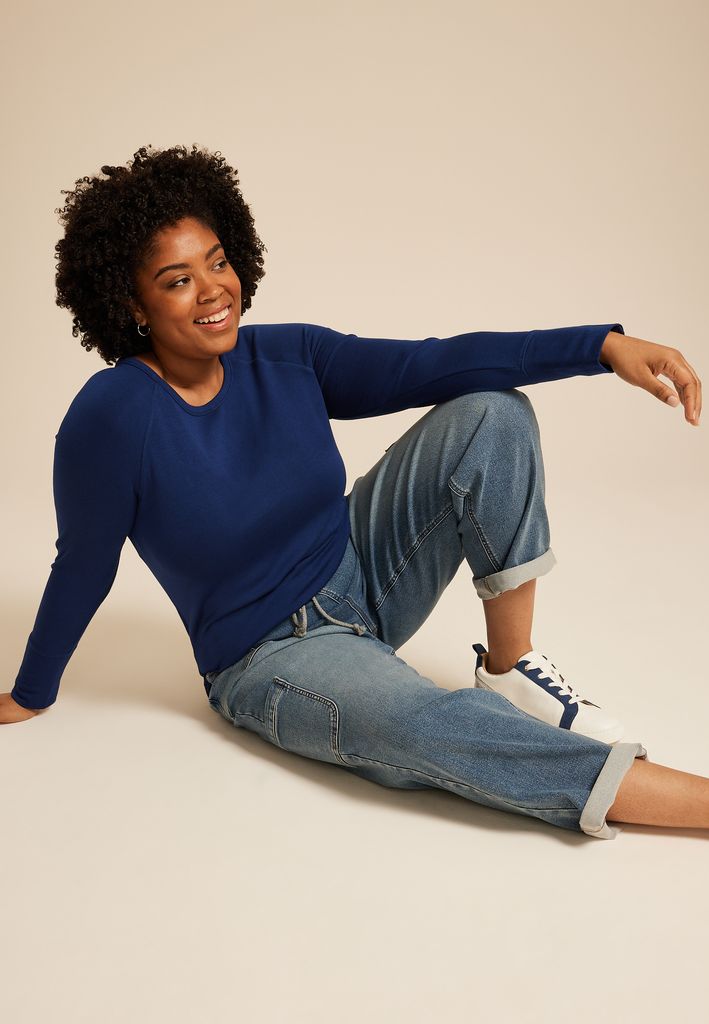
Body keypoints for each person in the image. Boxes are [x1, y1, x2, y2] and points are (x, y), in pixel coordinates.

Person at [3, 143, 706, 841]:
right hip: (270, 657)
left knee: (491, 412)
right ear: (132, 303)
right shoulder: (113, 416)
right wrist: (31, 693)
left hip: (361, 573)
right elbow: (84, 563)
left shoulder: (285, 355)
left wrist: (600, 347)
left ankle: (510, 667)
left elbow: (434, 363)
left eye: (217, 262)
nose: (213, 289)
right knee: (425, 723)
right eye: (177, 280)